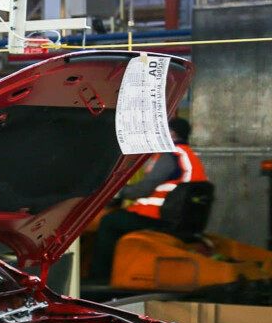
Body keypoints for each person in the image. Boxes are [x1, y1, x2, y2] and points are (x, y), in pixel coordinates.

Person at [87, 117, 208, 284]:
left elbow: (145, 188)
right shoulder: (188, 155)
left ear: (171, 134)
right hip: (180, 219)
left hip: (159, 217)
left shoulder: (170, 155)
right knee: (119, 219)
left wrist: (116, 192)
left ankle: (100, 278)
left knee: (109, 221)